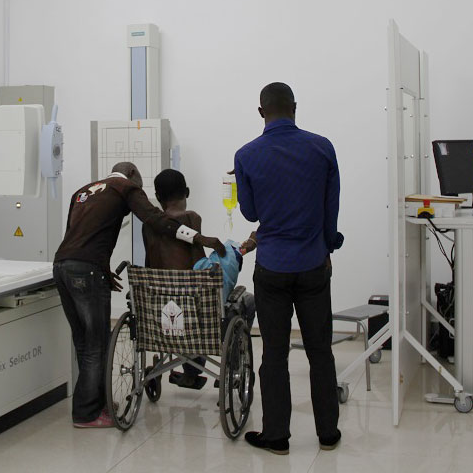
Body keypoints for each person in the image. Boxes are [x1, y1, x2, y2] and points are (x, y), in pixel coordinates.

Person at [53, 162, 225, 428]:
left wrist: (101, 267)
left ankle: (90, 407)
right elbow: (156, 219)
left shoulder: (84, 191)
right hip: (87, 273)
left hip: (62, 266)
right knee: (97, 344)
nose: (140, 189)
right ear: (132, 174)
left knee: (84, 343)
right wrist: (201, 239)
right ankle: (88, 414)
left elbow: (77, 236)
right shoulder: (125, 187)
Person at [234, 82, 344, 454]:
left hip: (272, 269)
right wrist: (329, 244)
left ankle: (276, 435)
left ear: (261, 112)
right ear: (295, 107)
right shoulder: (322, 148)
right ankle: (328, 433)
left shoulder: (246, 155)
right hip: (314, 264)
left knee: (274, 354)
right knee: (321, 352)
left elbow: (250, 213)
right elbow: (331, 210)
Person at [142, 168, 253, 390]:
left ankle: (191, 371)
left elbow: (150, 264)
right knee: (247, 301)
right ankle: (231, 368)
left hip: (160, 314)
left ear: (159, 197)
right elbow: (198, 267)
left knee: (185, 303)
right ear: (187, 192)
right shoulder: (191, 218)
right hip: (193, 315)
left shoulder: (148, 225)